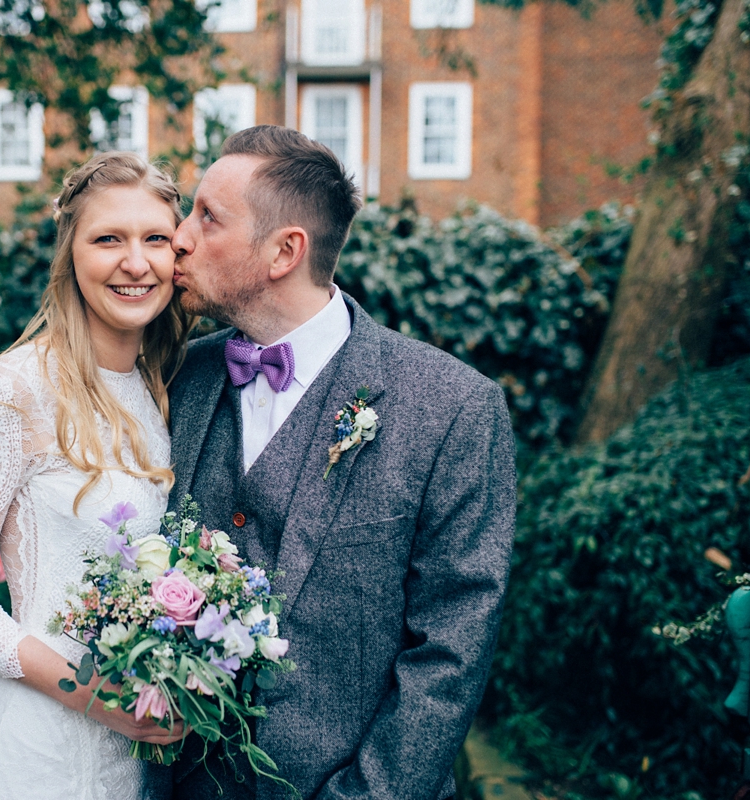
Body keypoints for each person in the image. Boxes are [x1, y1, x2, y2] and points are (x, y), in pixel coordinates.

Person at [143, 125, 517, 800]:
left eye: (208, 217)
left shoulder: (454, 407)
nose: (180, 238)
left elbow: (451, 651)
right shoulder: (176, 378)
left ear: (285, 251)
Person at [0, 151, 192, 800]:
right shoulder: (16, 388)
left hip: (143, 760)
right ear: (71, 254)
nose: (135, 262)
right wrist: (93, 697)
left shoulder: (170, 388)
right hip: (40, 749)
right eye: (108, 240)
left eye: (155, 238)